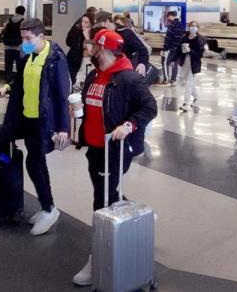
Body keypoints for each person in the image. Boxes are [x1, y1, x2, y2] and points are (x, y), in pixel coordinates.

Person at [72, 28, 157, 286]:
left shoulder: (128, 78)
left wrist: (128, 126)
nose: (89, 50)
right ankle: (136, 217)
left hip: (115, 150)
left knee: (101, 200)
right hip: (95, 147)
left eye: (93, 47)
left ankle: (96, 257)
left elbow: (149, 107)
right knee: (109, 194)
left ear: (105, 49)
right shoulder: (94, 76)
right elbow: (90, 107)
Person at [1, 18, 70, 236]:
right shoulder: (28, 56)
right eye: (22, 39)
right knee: (35, 162)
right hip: (27, 118)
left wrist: (63, 128)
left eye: (28, 38)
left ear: (41, 36)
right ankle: (47, 206)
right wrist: (8, 86)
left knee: (35, 162)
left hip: (44, 122)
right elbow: (21, 80)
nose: (24, 43)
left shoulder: (55, 59)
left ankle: (49, 208)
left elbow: (61, 96)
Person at [97, 11, 149, 75]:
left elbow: (142, 49)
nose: (99, 29)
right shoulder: (103, 35)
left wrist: (142, 63)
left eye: (100, 26)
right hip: (113, 69)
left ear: (107, 22)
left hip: (129, 68)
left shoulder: (125, 32)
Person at [178, 21, 206, 111]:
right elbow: (178, 49)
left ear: (197, 28)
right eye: (192, 25)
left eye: (195, 26)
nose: (193, 27)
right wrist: (173, 59)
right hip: (184, 62)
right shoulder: (184, 37)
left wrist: (189, 50)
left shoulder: (200, 39)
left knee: (189, 83)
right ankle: (197, 97)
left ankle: (186, 103)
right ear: (188, 27)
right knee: (184, 81)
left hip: (194, 64)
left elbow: (199, 55)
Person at [158, 10, 185, 86]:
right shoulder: (180, 24)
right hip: (178, 48)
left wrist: (165, 48)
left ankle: (166, 81)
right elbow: (180, 36)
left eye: (167, 17)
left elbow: (169, 38)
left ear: (170, 16)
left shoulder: (172, 24)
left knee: (165, 63)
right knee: (175, 64)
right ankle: (173, 80)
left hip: (171, 48)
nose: (167, 19)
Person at [66, 14, 93, 89]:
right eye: (82, 21)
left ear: (91, 23)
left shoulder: (93, 33)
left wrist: (87, 36)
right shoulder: (77, 29)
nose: (83, 24)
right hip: (74, 59)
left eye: (86, 22)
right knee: (72, 81)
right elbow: (68, 41)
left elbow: (91, 50)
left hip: (86, 62)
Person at [2, 6, 26, 86]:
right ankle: (19, 85)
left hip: (7, 47)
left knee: (8, 68)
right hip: (19, 48)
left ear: (15, 11)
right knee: (20, 67)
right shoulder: (24, 22)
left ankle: (7, 85)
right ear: (23, 12)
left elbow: (4, 31)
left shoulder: (8, 21)